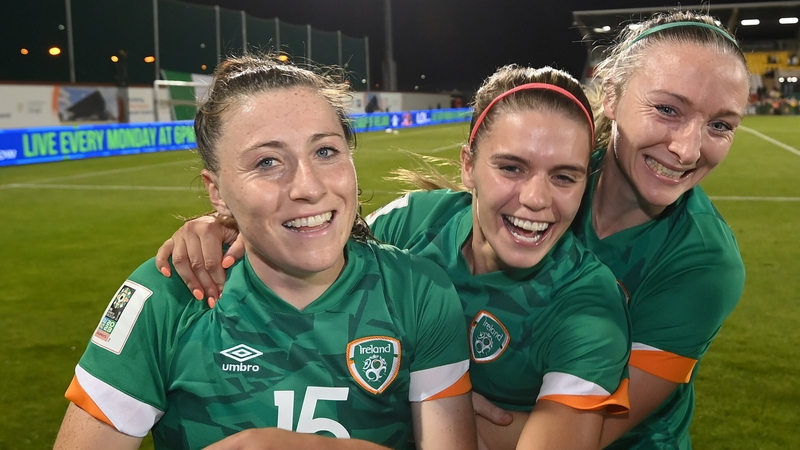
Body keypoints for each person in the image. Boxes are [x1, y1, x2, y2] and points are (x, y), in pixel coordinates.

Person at [153, 64, 632, 449]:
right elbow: (318, 233)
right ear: (467, 166)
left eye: (564, 177)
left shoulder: (588, 305)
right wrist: (224, 223)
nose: (535, 199)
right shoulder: (413, 222)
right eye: (511, 167)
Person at [54, 54, 477, 450]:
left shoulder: (418, 290)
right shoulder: (168, 296)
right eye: (267, 163)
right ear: (216, 192)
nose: (308, 187)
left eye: (325, 151)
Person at [477, 11, 750, 450]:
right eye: (666, 109)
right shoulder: (549, 180)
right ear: (611, 94)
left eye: (720, 125)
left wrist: (431, 405)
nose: (686, 149)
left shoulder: (705, 264)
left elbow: (588, 435)